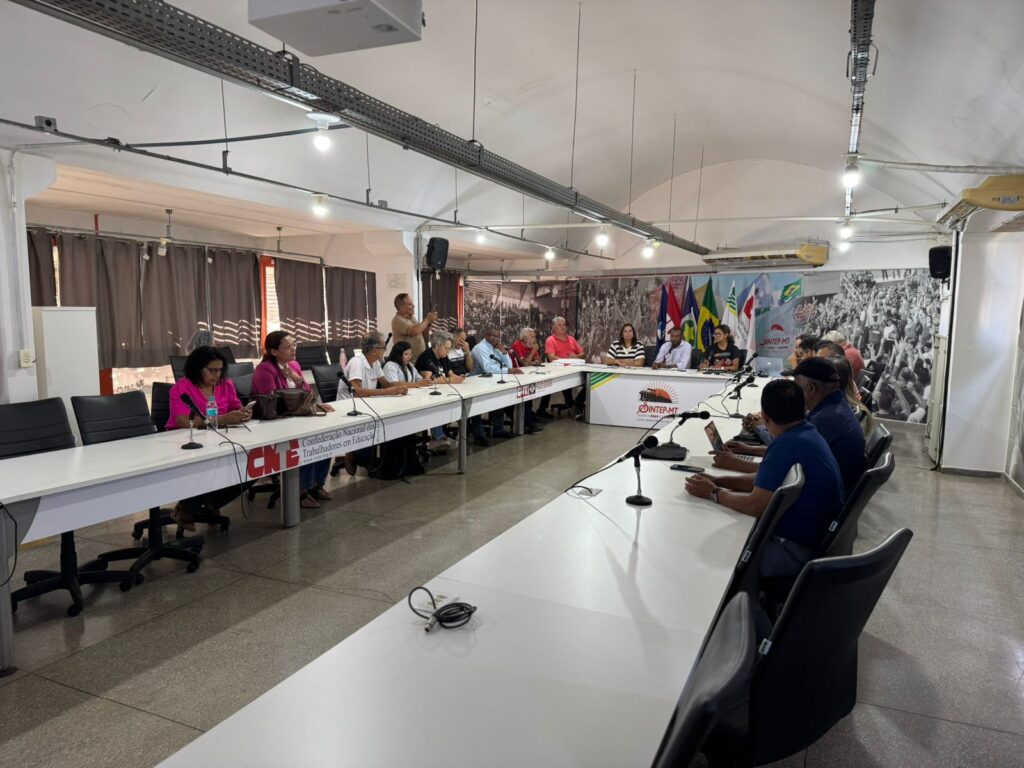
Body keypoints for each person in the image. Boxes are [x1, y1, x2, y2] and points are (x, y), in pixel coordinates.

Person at [685, 379, 844, 579]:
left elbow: (754, 506)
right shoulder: (807, 433)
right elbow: (764, 482)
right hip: (813, 543)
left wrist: (714, 493)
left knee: (714, 554)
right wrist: (719, 481)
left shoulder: (785, 446)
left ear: (765, 417)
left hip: (793, 552)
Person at [717, 357, 866, 498]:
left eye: (796, 384)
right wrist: (749, 449)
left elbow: (783, 469)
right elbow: (790, 458)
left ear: (811, 388)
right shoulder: (834, 409)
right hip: (825, 497)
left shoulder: (825, 420)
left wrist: (734, 466)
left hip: (813, 503)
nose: (792, 390)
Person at [166, 345, 252, 530]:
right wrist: (223, 419)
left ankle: (211, 502)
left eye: (220, 370)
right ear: (198, 368)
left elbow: (235, 406)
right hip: (185, 441)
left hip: (217, 438)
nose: (217, 375)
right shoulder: (182, 388)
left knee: (250, 462)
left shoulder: (225, 385)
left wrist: (243, 413)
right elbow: (182, 421)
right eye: (212, 370)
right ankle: (188, 506)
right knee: (207, 462)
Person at [251, 331, 335, 508]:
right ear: (274, 351)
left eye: (294, 345)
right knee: (306, 440)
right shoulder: (265, 369)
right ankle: (300, 490)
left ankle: (316, 485)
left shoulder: (294, 365)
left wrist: (298, 380)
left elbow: (308, 394)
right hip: (274, 421)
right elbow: (272, 401)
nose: (293, 349)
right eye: (288, 347)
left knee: (324, 436)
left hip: (297, 417)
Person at [337, 333, 409, 475]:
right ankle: (356, 453)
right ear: (375, 350)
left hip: (366, 403)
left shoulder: (375, 362)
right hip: (349, 407)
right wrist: (387, 392)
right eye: (384, 348)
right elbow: (357, 392)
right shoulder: (357, 362)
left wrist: (399, 388)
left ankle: (376, 457)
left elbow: (385, 383)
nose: (385, 351)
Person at [471, 328, 525, 439]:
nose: (495, 338)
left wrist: (503, 352)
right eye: (493, 336)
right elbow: (487, 368)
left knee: (500, 400)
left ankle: (498, 430)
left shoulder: (494, 348)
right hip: (477, 382)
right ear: (486, 335)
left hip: (492, 380)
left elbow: (509, 365)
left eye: (497, 336)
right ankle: (479, 435)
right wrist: (507, 371)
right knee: (477, 407)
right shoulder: (480, 348)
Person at [544, 315, 586, 418]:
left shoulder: (571, 339)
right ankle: (572, 405)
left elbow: (583, 354)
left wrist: (576, 356)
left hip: (575, 368)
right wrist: (566, 361)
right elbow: (551, 357)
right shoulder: (550, 340)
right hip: (560, 371)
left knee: (590, 380)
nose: (563, 327)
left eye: (564, 325)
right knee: (566, 380)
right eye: (560, 325)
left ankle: (577, 402)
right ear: (553, 327)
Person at [391, 292, 436, 362]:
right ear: (401, 307)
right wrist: (427, 320)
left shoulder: (412, 318)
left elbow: (422, 333)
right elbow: (414, 331)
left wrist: (428, 323)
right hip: (408, 361)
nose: (413, 306)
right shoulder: (398, 320)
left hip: (419, 360)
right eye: (410, 304)